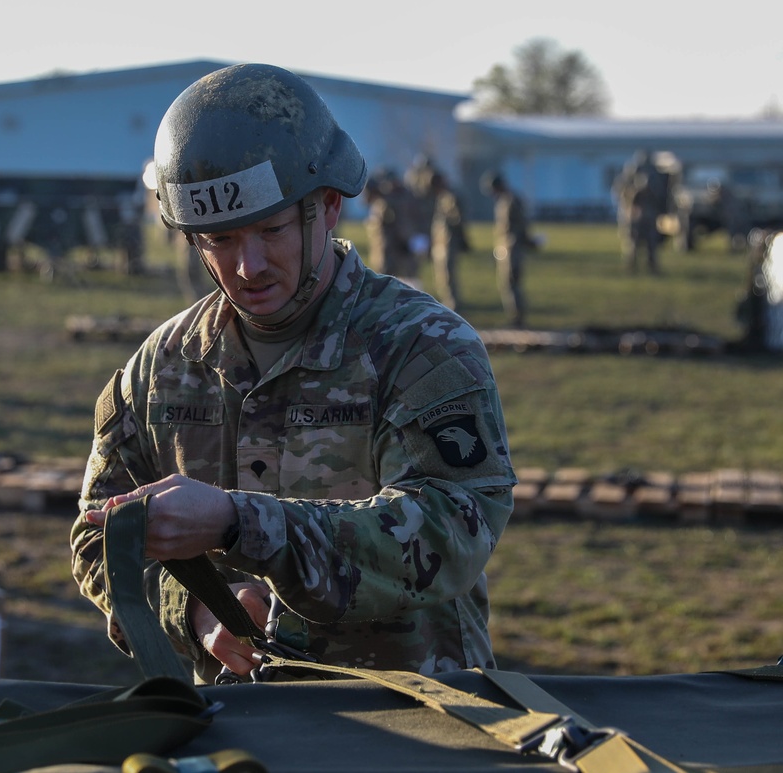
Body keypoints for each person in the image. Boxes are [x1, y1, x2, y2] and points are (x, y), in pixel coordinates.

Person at [71, 63, 517, 685]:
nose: (248, 265)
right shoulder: (161, 367)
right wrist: (200, 611)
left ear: (328, 206)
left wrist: (240, 523)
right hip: (247, 725)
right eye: (218, 240)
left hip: (419, 715)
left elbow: (452, 532)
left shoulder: (422, 348)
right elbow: (100, 541)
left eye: (271, 230)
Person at [482, 171, 531, 327]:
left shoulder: (511, 200)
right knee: (506, 284)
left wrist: (526, 240)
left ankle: (517, 318)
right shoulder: (503, 200)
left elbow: (521, 224)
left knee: (511, 282)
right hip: (504, 247)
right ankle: (514, 316)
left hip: (512, 247)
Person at [429, 171, 470, 311]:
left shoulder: (451, 197)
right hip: (441, 243)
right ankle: (448, 305)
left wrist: (463, 239)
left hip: (448, 243)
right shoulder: (442, 197)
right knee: (442, 277)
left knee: (448, 277)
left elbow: (458, 220)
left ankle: (452, 307)